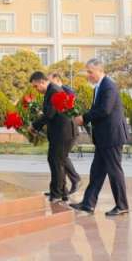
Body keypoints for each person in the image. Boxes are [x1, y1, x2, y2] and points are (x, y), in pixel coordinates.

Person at [71, 58, 129, 217]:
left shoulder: (108, 86)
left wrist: (84, 118)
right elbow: (98, 109)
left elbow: (104, 110)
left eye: (90, 72)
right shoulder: (99, 87)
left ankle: (122, 206)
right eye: (87, 72)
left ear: (99, 70)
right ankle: (88, 204)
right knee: (96, 171)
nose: (88, 75)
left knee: (114, 171)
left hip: (112, 136)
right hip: (104, 137)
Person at [29, 71, 80, 202]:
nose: (35, 89)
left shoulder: (54, 91)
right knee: (57, 162)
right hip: (61, 133)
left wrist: (34, 125)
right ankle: (62, 193)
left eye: (35, 86)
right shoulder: (51, 90)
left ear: (42, 82)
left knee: (56, 162)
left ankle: (56, 194)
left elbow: (49, 114)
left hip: (64, 133)